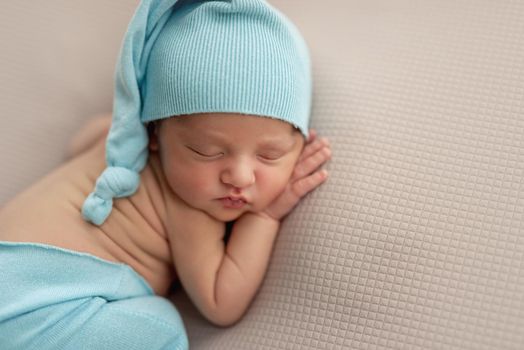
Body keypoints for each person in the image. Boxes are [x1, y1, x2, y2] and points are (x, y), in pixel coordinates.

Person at [0, 0, 331, 349]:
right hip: (35, 303)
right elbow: (221, 302)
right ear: (154, 134)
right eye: (207, 152)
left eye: (270, 154)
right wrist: (264, 217)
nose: (239, 176)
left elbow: (78, 141)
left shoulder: (114, 139)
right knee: (163, 328)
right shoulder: (189, 209)